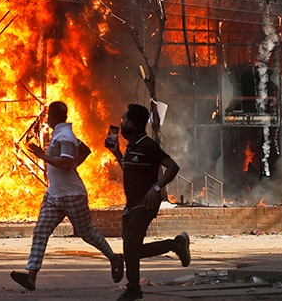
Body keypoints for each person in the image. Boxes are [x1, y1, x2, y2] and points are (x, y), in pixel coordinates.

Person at [10, 101, 124, 291]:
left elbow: (64, 163)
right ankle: (31, 276)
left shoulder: (65, 136)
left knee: (87, 234)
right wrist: (73, 166)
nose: (46, 119)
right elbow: (85, 150)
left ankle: (115, 258)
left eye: (48, 116)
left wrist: (42, 155)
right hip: (54, 195)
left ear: (53, 117)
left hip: (72, 195)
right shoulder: (61, 134)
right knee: (40, 232)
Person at [105, 103, 191, 301]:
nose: (122, 124)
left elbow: (172, 167)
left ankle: (134, 288)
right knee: (133, 249)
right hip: (131, 205)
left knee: (130, 247)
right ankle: (176, 245)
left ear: (134, 124)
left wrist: (157, 188)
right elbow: (131, 172)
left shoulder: (148, 145)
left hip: (145, 203)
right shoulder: (131, 147)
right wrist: (117, 153)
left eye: (125, 121)